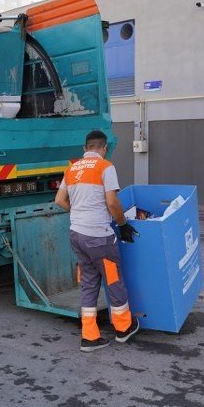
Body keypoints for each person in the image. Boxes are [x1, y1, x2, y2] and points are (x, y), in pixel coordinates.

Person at [55, 130, 140, 352]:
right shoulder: (106, 167)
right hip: (99, 237)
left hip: (77, 235)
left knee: (89, 282)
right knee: (113, 280)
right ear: (103, 148)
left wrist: (80, 212)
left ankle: (89, 337)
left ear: (85, 149)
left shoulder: (72, 168)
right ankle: (124, 328)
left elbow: (59, 200)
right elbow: (112, 203)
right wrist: (122, 224)